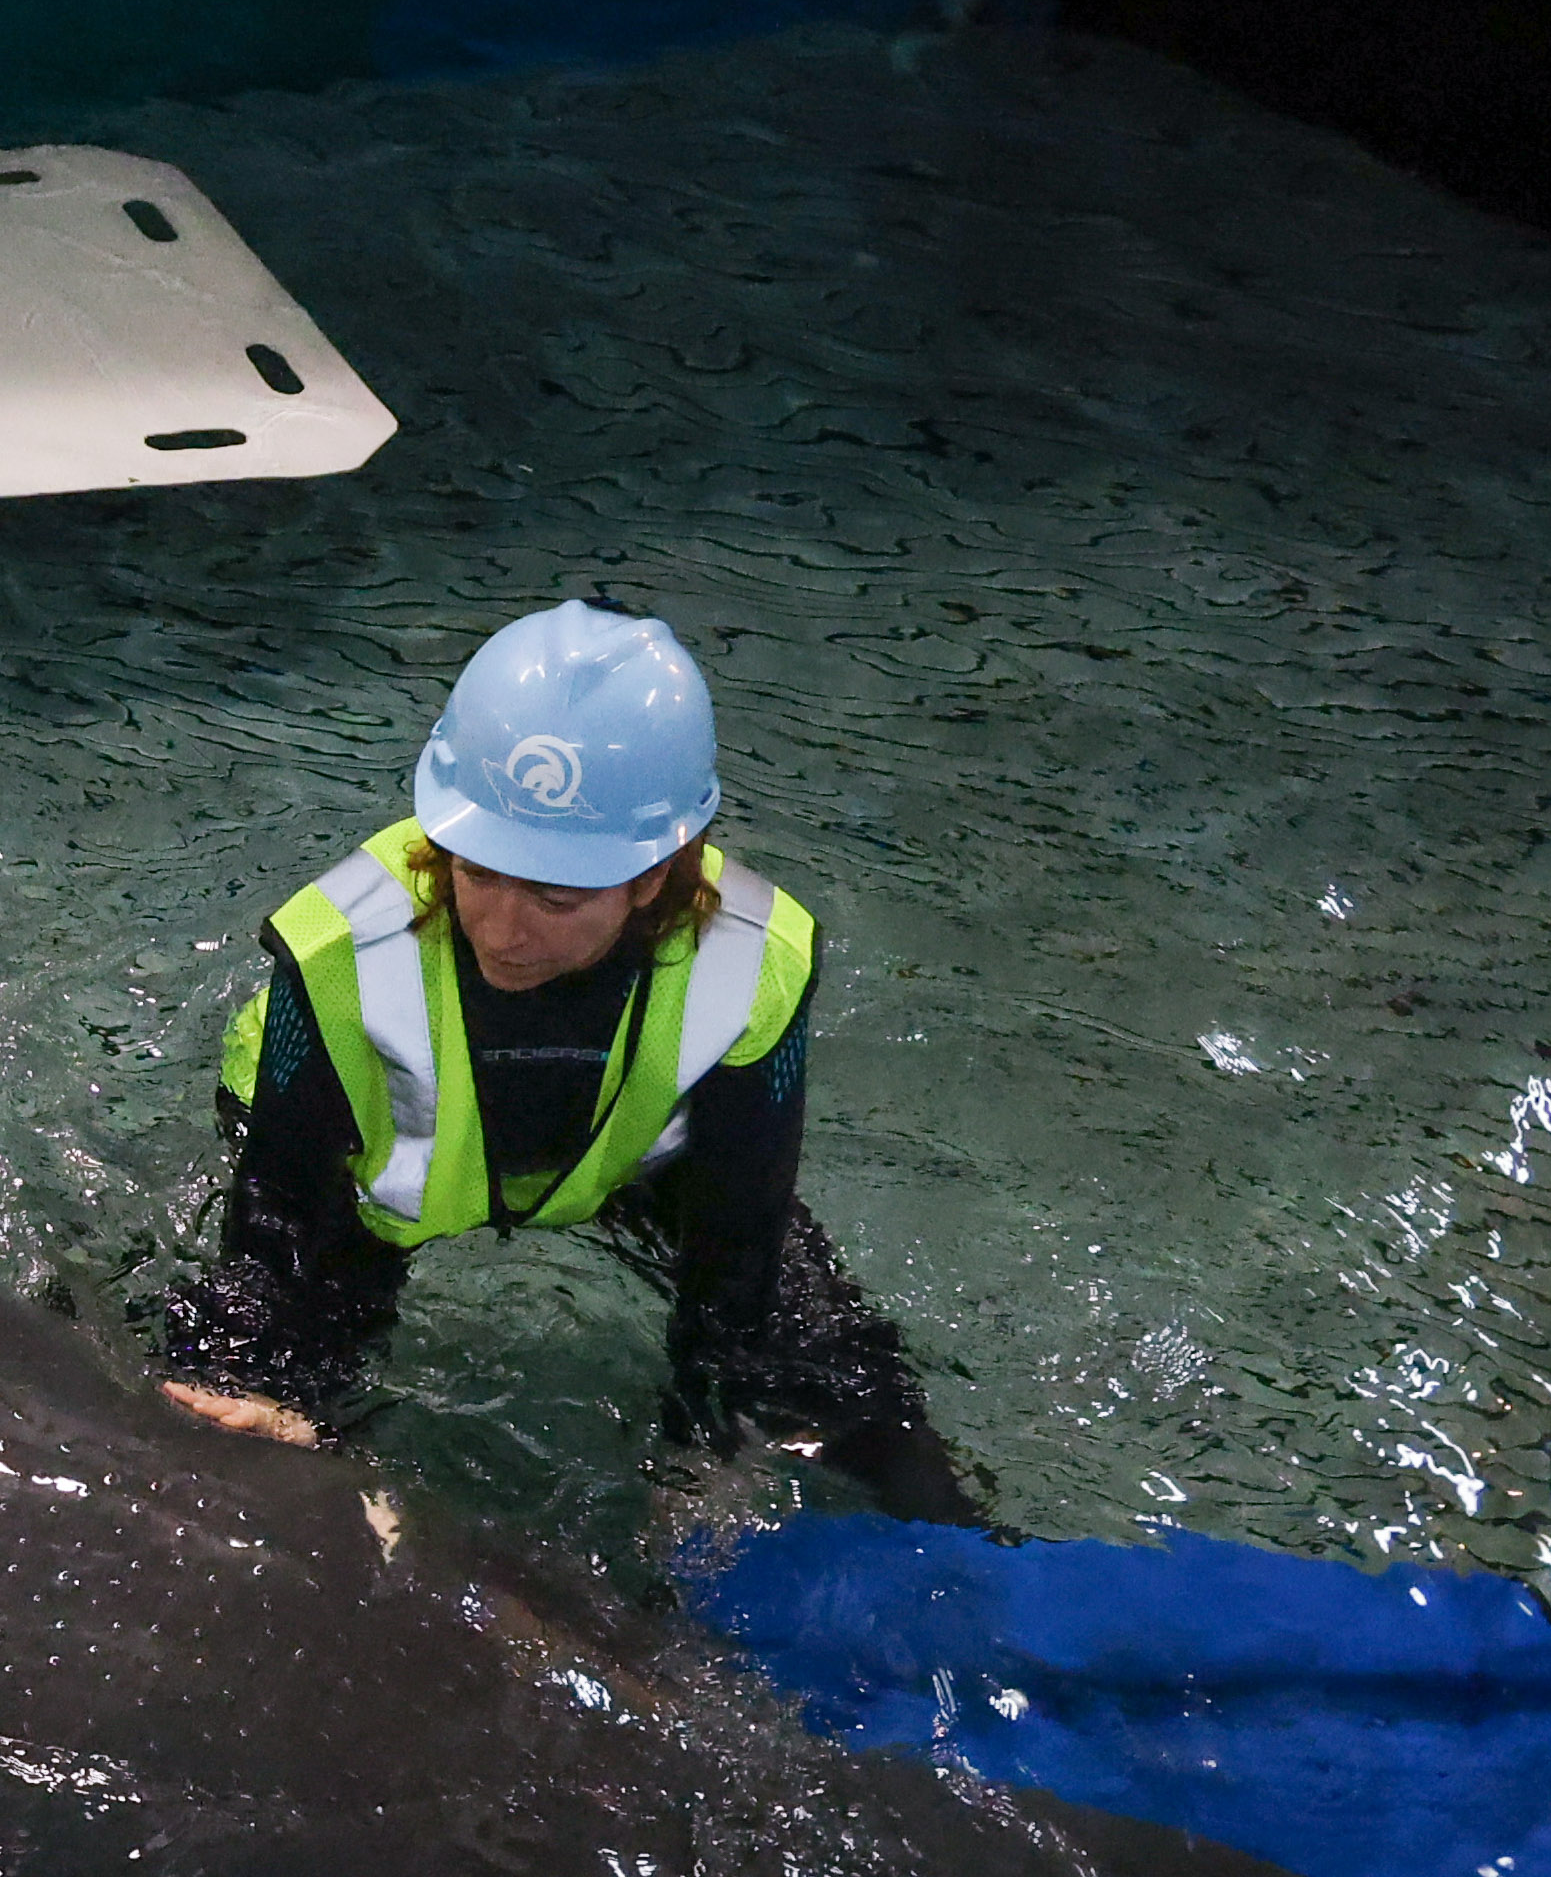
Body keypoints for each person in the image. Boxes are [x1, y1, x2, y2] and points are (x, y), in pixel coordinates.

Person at [158, 599, 979, 1522]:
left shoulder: (751, 967)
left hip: (640, 1162)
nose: (501, 934)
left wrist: (703, 1460)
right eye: (474, 870)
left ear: (653, 874)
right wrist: (262, 1385)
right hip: (362, 1169)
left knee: (830, 1375)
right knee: (244, 1405)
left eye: (554, 896)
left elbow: (736, 1251)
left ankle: (988, 1580)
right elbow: (275, 1229)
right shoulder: (340, 953)